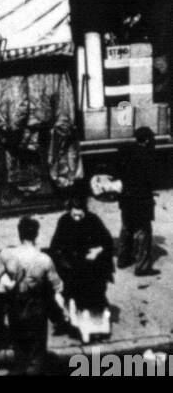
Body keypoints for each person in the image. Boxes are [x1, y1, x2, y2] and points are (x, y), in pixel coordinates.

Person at [0, 216, 66, 375]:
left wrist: (6, 286)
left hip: (16, 309)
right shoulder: (45, 260)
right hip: (37, 310)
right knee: (37, 353)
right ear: (36, 235)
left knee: (19, 350)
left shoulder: (6, 254)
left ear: (19, 234)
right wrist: (64, 312)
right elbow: (58, 289)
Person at [48, 184, 115, 345]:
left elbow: (108, 242)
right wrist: (63, 262)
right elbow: (55, 247)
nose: (77, 217)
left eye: (80, 214)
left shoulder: (93, 220)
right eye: (74, 214)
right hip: (72, 268)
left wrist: (97, 251)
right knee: (77, 301)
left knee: (95, 300)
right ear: (70, 210)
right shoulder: (64, 221)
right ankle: (81, 329)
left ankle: (99, 329)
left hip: (93, 268)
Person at [116, 126, 158, 277]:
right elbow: (150, 180)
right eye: (152, 138)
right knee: (143, 231)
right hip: (141, 200)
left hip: (125, 199)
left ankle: (122, 259)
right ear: (146, 140)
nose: (154, 141)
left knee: (126, 228)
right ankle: (142, 267)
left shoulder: (125, 152)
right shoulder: (148, 156)